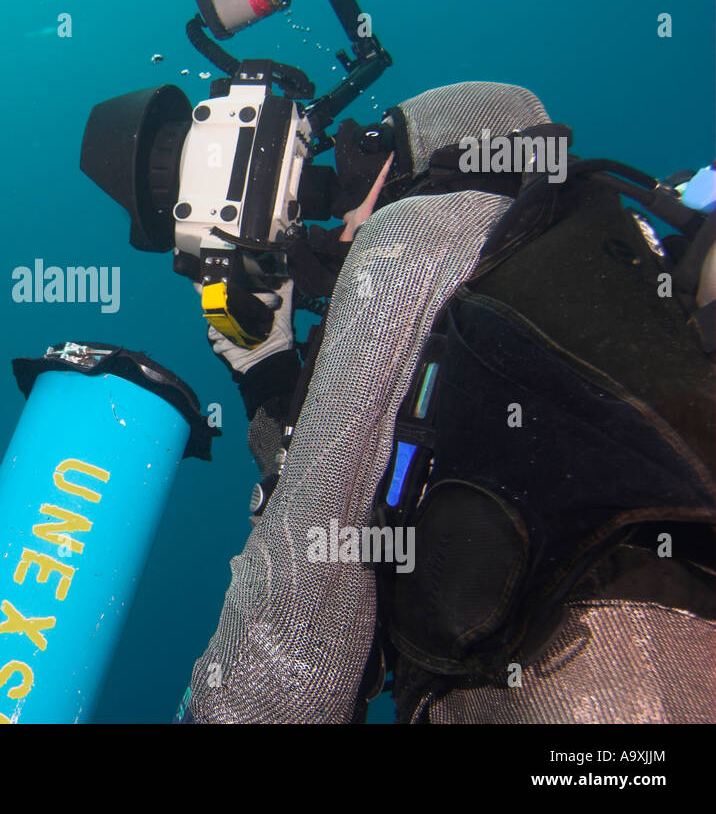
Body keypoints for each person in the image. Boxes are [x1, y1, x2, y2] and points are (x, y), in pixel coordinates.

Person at [182, 81, 716, 723]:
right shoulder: (612, 243)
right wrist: (268, 378)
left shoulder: (415, 237)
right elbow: (397, 467)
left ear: (401, 171)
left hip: (586, 690)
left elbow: (314, 560)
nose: (345, 224)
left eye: (352, 196)